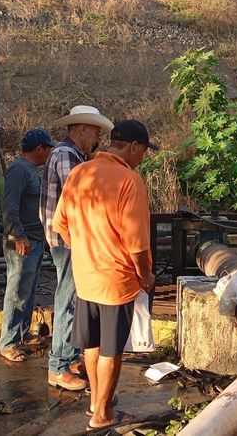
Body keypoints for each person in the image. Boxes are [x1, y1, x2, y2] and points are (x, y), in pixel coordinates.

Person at [53, 119, 158, 431]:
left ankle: (95, 403)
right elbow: (137, 244)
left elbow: (61, 223)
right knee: (111, 350)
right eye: (143, 152)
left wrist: (82, 248)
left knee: (92, 344)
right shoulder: (129, 181)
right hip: (116, 282)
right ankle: (102, 416)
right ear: (134, 147)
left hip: (85, 278)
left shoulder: (79, 172)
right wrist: (145, 276)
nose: (142, 158)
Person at [42, 106, 114, 391]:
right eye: (95, 132)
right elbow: (82, 196)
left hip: (69, 237)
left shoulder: (72, 155)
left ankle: (68, 356)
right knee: (68, 299)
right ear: (83, 128)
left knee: (72, 298)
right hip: (69, 239)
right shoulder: (66, 156)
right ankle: (58, 365)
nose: (97, 138)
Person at [0, 128, 54, 362]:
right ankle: (8, 342)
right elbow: (9, 208)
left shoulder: (31, 170)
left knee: (28, 290)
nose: (50, 153)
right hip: (20, 239)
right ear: (39, 149)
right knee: (17, 290)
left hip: (34, 239)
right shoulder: (19, 170)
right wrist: (19, 236)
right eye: (47, 148)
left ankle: (20, 335)